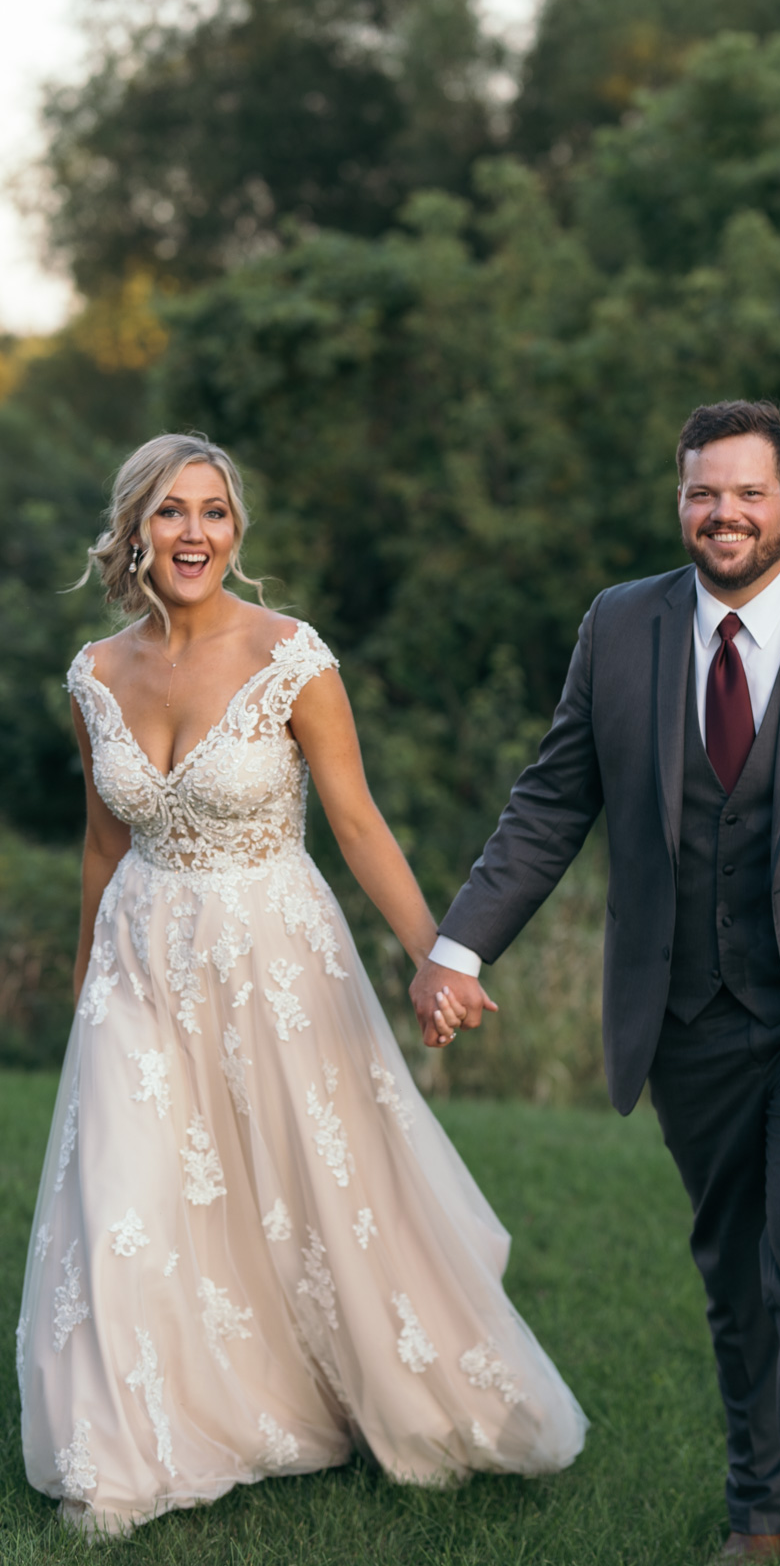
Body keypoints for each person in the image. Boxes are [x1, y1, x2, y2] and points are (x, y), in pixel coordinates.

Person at [410, 400, 780, 1566]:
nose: (722, 513)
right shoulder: (621, 627)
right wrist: (459, 944)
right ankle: (760, 1514)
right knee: (738, 1274)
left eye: (744, 492)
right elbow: (551, 801)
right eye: (700, 492)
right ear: (680, 502)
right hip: (687, 1015)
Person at [17, 432, 586, 1537]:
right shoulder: (95, 671)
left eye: (215, 511)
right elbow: (100, 843)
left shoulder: (292, 658)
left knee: (313, 1193)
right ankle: (124, 1451)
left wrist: (438, 954)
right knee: (127, 1198)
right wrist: (89, 982)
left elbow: (360, 823)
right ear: (135, 529)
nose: (195, 533)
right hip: (141, 959)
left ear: (237, 530)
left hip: (273, 952)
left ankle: (361, 1393)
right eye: (173, 512)